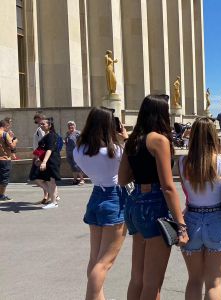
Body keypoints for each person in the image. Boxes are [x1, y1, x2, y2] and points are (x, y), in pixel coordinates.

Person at [118, 94, 188, 299]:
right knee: (153, 282)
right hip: (154, 203)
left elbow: (122, 179)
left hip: (134, 203)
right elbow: (167, 186)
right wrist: (181, 225)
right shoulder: (159, 140)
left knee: (137, 278)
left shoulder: (132, 140)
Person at [177, 117, 221, 300]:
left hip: (191, 219)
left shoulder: (182, 162)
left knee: (194, 280)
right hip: (217, 219)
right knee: (214, 282)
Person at [73, 107, 129, 300]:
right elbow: (132, 164)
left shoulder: (79, 150)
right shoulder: (114, 151)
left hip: (96, 195)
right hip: (114, 197)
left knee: (95, 258)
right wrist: (125, 137)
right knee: (104, 263)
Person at [29, 117, 61, 209]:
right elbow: (42, 149)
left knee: (51, 181)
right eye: (41, 124)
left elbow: (49, 149)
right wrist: (39, 158)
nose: (41, 125)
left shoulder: (51, 135)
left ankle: (54, 202)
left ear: (49, 125)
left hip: (52, 160)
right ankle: (54, 196)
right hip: (46, 160)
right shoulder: (46, 135)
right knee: (40, 179)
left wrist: (44, 162)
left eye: (43, 124)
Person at [32, 113, 49, 202]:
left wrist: (38, 156)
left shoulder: (41, 130)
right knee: (44, 178)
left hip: (41, 155)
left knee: (38, 177)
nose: (35, 122)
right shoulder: (40, 129)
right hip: (40, 154)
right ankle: (47, 195)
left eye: (36, 120)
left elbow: (43, 143)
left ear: (39, 118)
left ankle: (52, 194)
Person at [0, 120, 17, 201]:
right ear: (5, 126)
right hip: (5, 159)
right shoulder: (4, 134)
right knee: (4, 178)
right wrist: (15, 140)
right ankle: (1, 195)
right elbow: (12, 146)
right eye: (8, 127)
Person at [65, 121, 84, 185]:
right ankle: (75, 179)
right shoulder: (67, 133)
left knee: (77, 166)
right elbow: (67, 142)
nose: (70, 126)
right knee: (73, 166)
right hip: (69, 152)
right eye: (69, 125)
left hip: (76, 152)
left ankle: (82, 180)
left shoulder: (78, 133)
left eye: (72, 125)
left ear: (75, 126)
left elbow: (82, 142)